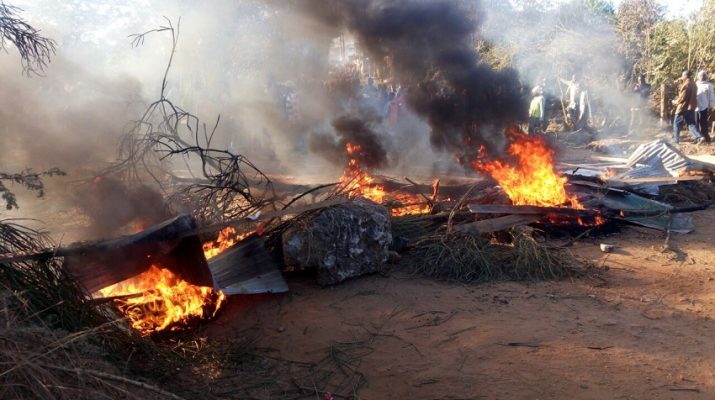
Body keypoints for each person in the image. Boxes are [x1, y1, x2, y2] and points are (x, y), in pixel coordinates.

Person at [672, 70, 705, 145]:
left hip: (683, 107)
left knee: (676, 123)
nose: (682, 77)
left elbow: (682, 97)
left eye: (682, 75)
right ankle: (700, 137)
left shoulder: (686, 84)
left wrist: (675, 101)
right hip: (691, 106)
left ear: (686, 76)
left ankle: (675, 139)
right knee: (691, 124)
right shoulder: (694, 84)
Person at [695, 70, 715, 143]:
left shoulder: (709, 85)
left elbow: (711, 96)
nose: (702, 77)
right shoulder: (695, 84)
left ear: (705, 76)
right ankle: (698, 138)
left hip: (704, 106)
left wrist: (711, 106)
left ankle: (706, 138)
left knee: (703, 123)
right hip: (696, 107)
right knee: (696, 123)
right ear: (698, 77)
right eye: (700, 75)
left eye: (703, 75)